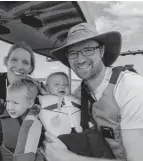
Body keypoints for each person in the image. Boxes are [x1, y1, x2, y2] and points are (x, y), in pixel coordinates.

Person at [43, 22, 143, 161]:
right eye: (73, 53)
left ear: (101, 51)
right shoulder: (79, 95)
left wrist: (67, 158)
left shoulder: (130, 87)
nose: (81, 59)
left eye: (88, 49)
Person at [0, 78, 41, 161]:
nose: (10, 107)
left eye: (15, 103)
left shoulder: (39, 122)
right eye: (8, 101)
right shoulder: (2, 124)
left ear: (30, 103)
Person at [38, 72, 82, 136]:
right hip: (55, 137)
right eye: (57, 84)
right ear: (47, 88)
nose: (62, 87)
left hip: (78, 134)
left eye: (66, 85)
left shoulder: (75, 99)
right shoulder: (42, 100)